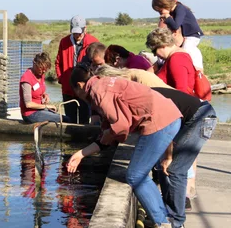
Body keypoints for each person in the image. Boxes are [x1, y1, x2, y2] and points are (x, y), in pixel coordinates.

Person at [67, 63, 182, 228]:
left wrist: (109, 133)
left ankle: (163, 222)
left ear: (79, 86)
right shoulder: (104, 83)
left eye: (76, 92)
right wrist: (81, 154)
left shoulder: (99, 92)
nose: (78, 96)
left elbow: (121, 126)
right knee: (139, 174)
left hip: (159, 122)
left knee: (135, 176)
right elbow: (107, 137)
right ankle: (164, 219)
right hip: (168, 116)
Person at [146, 27, 199, 208]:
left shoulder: (176, 59)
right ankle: (180, 198)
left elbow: (182, 91)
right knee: (178, 158)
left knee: (176, 159)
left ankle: (180, 200)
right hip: (177, 114)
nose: (155, 54)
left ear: (161, 45)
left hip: (179, 115)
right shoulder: (174, 58)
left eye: (154, 50)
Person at [152, 87, 216, 228]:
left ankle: (176, 222)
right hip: (191, 118)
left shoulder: (148, 99)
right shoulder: (142, 93)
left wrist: (168, 156)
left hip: (201, 116)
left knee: (175, 168)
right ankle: (168, 213)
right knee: (161, 166)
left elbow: (165, 127)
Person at [55, 15, 99, 124]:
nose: (77, 35)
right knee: (70, 120)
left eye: (79, 32)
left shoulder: (93, 42)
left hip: (85, 89)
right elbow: (58, 62)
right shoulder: (64, 42)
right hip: (68, 90)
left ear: (85, 29)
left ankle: (83, 140)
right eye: (74, 33)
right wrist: (62, 79)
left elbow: (98, 64)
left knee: (85, 120)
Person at [152, 0, 204, 71]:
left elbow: (175, 26)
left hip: (192, 35)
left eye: (160, 11)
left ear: (165, 5)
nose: (160, 14)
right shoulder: (175, 10)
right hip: (187, 35)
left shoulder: (180, 9)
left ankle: (187, 69)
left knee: (184, 52)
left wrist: (168, 17)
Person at [20, 52, 70, 124]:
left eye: (45, 69)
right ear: (34, 64)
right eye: (41, 68)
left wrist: (45, 95)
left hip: (39, 110)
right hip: (30, 114)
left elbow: (40, 90)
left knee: (63, 116)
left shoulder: (41, 74)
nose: (43, 71)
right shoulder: (26, 78)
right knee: (65, 119)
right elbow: (28, 104)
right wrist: (46, 106)